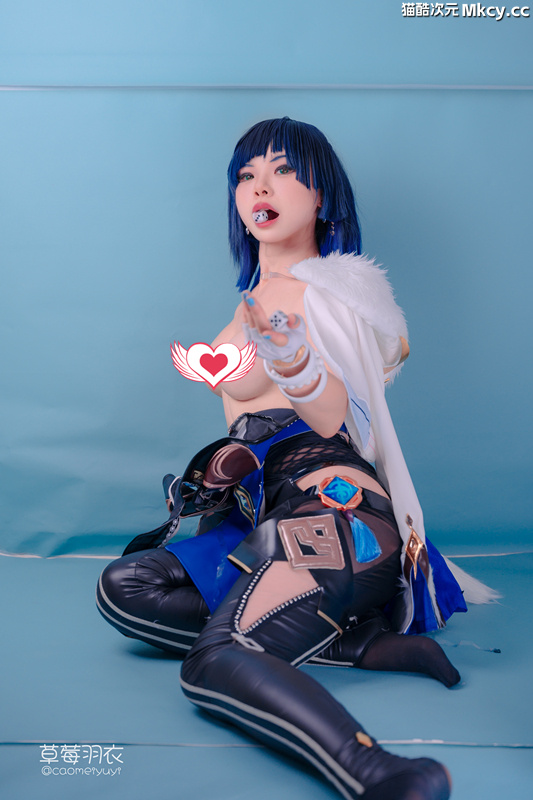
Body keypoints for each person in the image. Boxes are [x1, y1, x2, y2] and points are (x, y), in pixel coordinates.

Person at [97, 117, 490, 799]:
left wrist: (296, 361)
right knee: (125, 587)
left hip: (338, 515)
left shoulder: (325, 294)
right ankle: (349, 639)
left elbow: (334, 413)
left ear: (322, 197)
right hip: (268, 515)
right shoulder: (252, 302)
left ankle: (383, 773)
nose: (260, 186)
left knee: (217, 659)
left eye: (282, 170)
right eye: (246, 175)